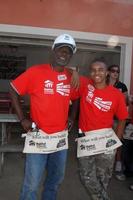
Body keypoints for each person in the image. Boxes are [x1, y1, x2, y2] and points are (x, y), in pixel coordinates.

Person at [10, 33, 78, 200]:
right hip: (38, 135)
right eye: (61, 50)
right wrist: (23, 118)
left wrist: (72, 117)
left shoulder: (71, 77)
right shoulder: (35, 72)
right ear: (52, 51)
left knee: (55, 181)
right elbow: (13, 90)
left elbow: (76, 98)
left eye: (68, 52)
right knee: (32, 183)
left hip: (61, 139)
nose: (64, 55)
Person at [71, 58, 128, 200]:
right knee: (86, 176)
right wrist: (74, 71)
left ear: (107, 73)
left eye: (101, 70)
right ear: (90, 73)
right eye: (93, 70)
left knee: (103, 177)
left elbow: (122, 118)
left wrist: (117, 140)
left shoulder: (117, 95)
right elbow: (64, 69)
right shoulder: (85, 85)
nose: (97, 73)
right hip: (86, 139)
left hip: (106, 141)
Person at [108, 64, 128, 181]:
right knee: (105, 142)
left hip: (117, 119)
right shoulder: (103, 83)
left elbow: (124, 102)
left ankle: (118, 164)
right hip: (105, 118)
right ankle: (106, 167)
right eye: (113, 71)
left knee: (118, 141)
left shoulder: (122, 86)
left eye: (117, 71)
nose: (115, 73)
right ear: (109, 72)